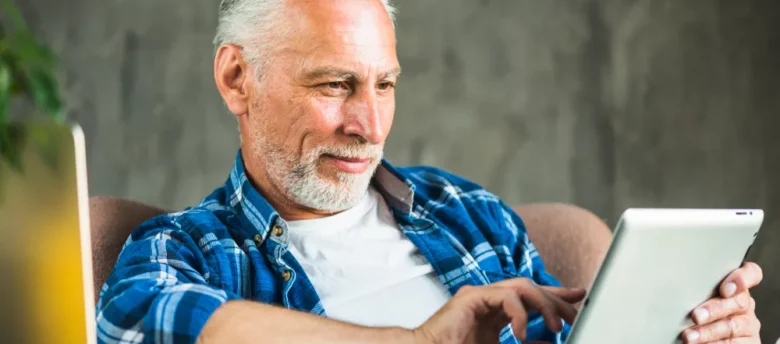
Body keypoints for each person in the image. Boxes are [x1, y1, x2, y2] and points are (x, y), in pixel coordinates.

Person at [96, 0, 764, 343]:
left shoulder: (462, 209)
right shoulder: (183, 250)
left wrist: (693, 329)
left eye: (384, 85)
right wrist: (420, 342)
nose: (371, 125)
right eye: (334, 84)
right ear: (238, 78)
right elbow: (145, 323)